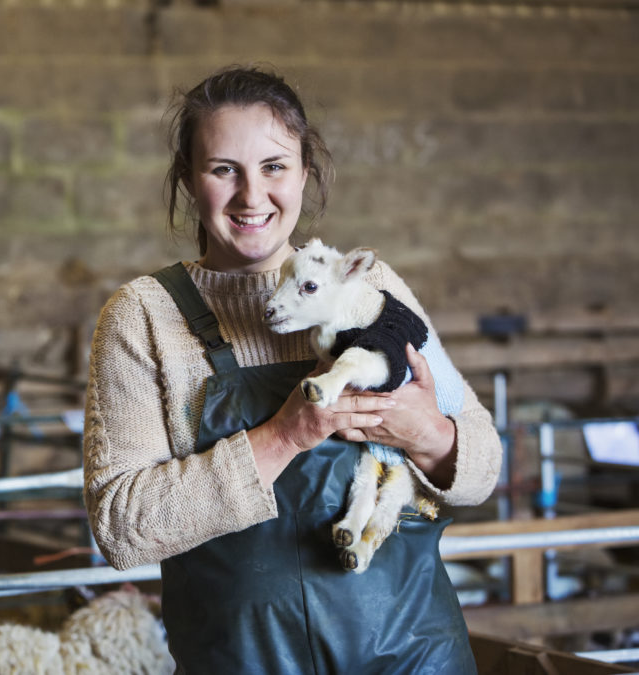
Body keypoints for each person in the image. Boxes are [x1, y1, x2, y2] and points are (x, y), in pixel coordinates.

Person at [83, 65, 503, 674]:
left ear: (305, 173)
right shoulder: (143, 318)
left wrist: (427, 433)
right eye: (224, 169)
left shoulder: (366, 287)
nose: (253, 196)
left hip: (414, 657)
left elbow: (485, 462)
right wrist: (285, 435)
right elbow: (124, 528)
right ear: (188, 179)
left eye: (275, 167)